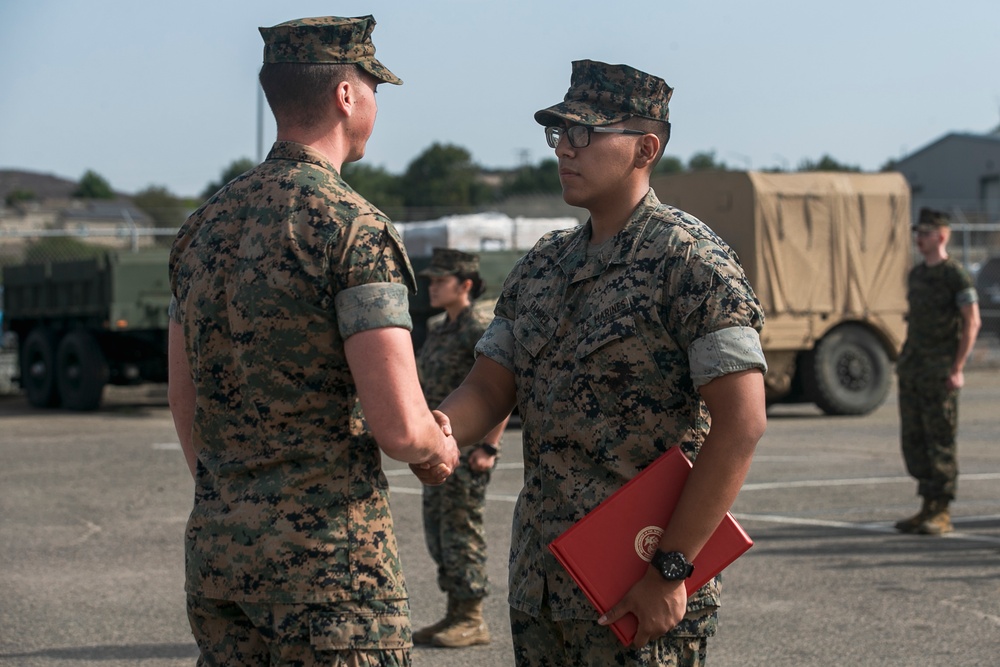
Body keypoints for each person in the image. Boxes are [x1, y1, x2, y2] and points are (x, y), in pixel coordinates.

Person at [434, 60, 768, 666]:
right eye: (559, 133)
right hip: (543, 582)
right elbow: (489, 386)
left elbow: (741, 423)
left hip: (637, 583)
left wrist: (671, 569)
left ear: (646, 147)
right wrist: (438, 429)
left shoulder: (690, 261)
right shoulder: (542, 266)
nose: (564, 148)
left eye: (584, 133)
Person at [167, 15, 459, 666]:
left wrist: (240, 501)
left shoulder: (200, 230)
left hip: (219, 559)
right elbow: (398, 422)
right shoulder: (353, 229)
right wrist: (439, 445)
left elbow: (185, 402)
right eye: (374, 87)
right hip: (330, 574)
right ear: (347, 95)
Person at [412, 248, 510, 648]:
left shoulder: (479, 325)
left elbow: (500, 385)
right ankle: (455, 613)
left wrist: (489, 446)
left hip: (467, 452)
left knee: (462, 532)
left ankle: (472, 618)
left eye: (441, 280)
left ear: (465, 284)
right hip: (437, 449)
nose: (432, 287)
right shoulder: (439, 327)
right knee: (439, 533)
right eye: (431, 280)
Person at [894, 207, 981, 536]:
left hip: (940, 370)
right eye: (917, 232)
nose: (919, 238)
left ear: (941, 236)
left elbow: (972, 322)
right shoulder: (917, 275)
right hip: (914, 368)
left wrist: (957, 367)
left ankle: (941, 509)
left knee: (940, 440)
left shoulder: (954, 274)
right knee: (914, 441)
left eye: (925, 233)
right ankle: (927, 505)